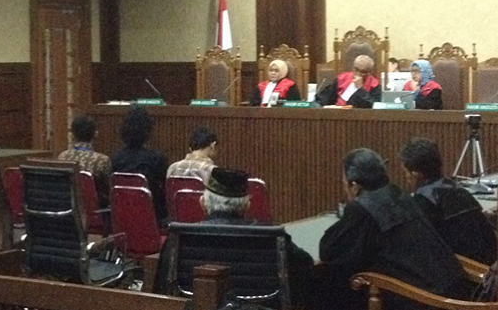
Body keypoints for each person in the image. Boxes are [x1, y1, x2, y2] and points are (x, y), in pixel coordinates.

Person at [318, 148, 467, 310]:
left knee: (331, 284)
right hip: (456, 290)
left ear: (354, 185)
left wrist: (351, 206)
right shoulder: (399, 194)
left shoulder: (364, 208)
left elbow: (329, 250)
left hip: (427, 302)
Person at [155, 167, 314, 307]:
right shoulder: (274, 237)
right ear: (247, 206)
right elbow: (305, 267)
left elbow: (161, 288)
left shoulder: (178, 238)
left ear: (202, 203)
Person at [400, 137, 496, 265]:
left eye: (406, 172)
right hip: (489, 263)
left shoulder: (423, 203)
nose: (406, 177)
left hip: (467, 270)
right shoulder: (460, 190)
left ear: (416, 174)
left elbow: (419, 249)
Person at [111, 106, 168, 225]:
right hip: (153, 217)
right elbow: (164, 191)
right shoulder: (157, 159)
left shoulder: (115, 159)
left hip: (122, 216)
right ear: (148, 131)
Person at [58, 115, 111, 207]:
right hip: (94, 209)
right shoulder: (101, 160)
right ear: (95, 134)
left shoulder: (62, 157)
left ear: (72, 134)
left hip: (67, 207)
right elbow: (109, 190)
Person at [315, 55, 382, 108]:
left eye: (363, 72)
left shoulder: (375, 85)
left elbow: (372, 106)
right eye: (356, 69)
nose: (358, 74)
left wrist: (360, 88)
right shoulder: (342, 78)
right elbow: (324, 97)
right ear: (353, 68)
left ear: (369, 72)